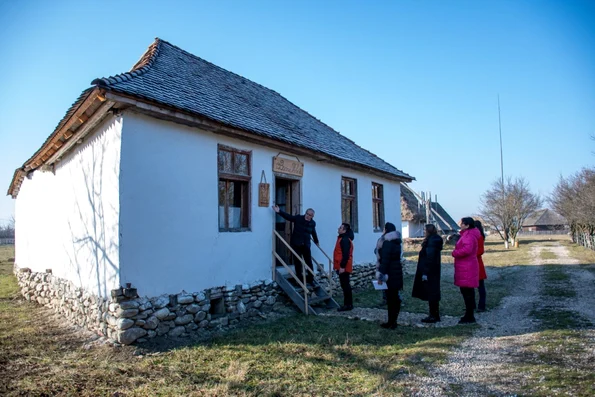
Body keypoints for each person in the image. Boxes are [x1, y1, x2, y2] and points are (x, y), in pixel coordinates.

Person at [272, 205, 319, 284]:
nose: (307, 216)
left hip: (306, 245)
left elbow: (313, 232)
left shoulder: (312, 223)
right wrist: (279, 211)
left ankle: (311, 279)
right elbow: (289, 217)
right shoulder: (299, 218)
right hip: (296, 243)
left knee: (308, 262)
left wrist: (316, 241)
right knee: (297, 261)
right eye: (307, 214)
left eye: (310, 215)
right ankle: (299, 279)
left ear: (312, 216)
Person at [411, 224, 444, 323]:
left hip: (430, 271)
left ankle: (433, 315)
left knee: (431, 293)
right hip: (433, 270)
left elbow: (429, 258)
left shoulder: (432, 242)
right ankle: (434, 314)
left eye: (425, 230)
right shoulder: (433, 240)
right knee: (432, 292)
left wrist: (425, 272)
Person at [452, 217, 481, 324]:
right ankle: (469, 314)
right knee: (467, 291)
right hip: (466, 266)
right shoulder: (468, 235)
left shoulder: (469, 236)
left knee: (467, 292)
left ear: (467, 225)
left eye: (462, 224)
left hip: (467, 266)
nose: (461, 225)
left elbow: (467, 250)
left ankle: (469, 316)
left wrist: (455, 252)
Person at [377, 222, 403, 329]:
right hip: (397, 273)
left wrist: (380, 276)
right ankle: (393, 321)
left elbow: (385, 261)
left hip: (389, 274)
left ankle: (391, 322)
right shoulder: (397, 243)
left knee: (391, 299)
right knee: (395, 298)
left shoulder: (387, 243)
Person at [333, 223, 354, 311]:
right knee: (345, 285)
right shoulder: (342, 238)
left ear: (344, 230)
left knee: (345, 285)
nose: (339, 228)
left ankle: (347, 305)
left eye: (340, 228)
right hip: (343, 265)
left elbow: (345, 255)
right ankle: (349, 304)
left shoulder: (344, 239)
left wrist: (342, 266)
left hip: (344, 266)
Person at [475, 220, 488, 312]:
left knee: (480, 286)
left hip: (477, 263)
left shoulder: (479, 236)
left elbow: (480, 250)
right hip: (475, 262)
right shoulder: (478, 236)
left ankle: (481, 305)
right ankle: (474, 305)